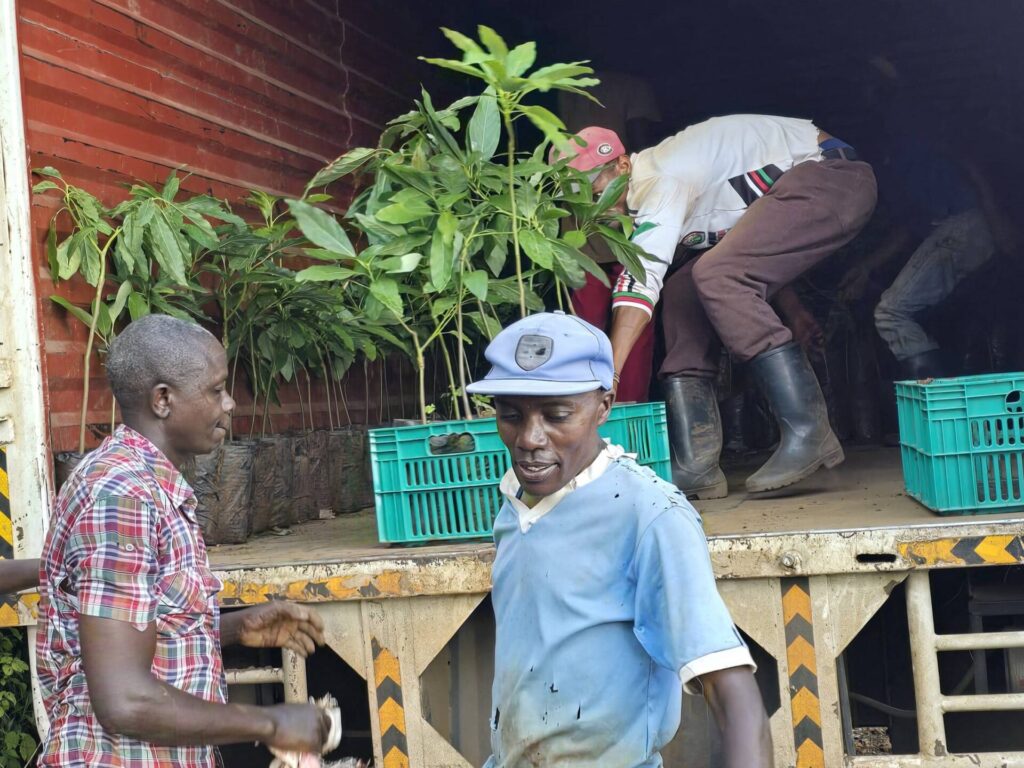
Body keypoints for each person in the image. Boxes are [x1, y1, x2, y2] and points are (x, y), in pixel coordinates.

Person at [466, 311, 771, 768]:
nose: (529, 438)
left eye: (557, 416)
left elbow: (729, 687)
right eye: (510, 415)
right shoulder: (515, 501)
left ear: (604, 405)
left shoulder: (650, 514)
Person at [37, 315, 332, 767]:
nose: (230, 403)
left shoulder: (149, 486)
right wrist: (269, 723)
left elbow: (132, 628)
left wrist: (228, 629)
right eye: (215, 390)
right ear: (162, 400)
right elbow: (124, 701)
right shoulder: (121, 496)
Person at [556, 116, 877, 497]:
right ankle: (697, 463)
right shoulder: (645, 198)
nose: (594, 204)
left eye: (596, 189)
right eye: (580, 198)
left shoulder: (662, 178)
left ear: (623, 166)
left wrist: (610, 374)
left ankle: (809, 430)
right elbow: (758, 253)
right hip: (794, 195)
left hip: (833, 177)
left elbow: (642, 281)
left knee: (715, 273)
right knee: (683, 290)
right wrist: (792, 307)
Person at [557, 70, 664, 403]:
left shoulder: (565, 88)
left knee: (583, 329)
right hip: (622, 228)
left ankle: (585, 413)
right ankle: (628, 411)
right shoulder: (633, 85)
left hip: (581, 231)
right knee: (633, 325)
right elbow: (644, 144)